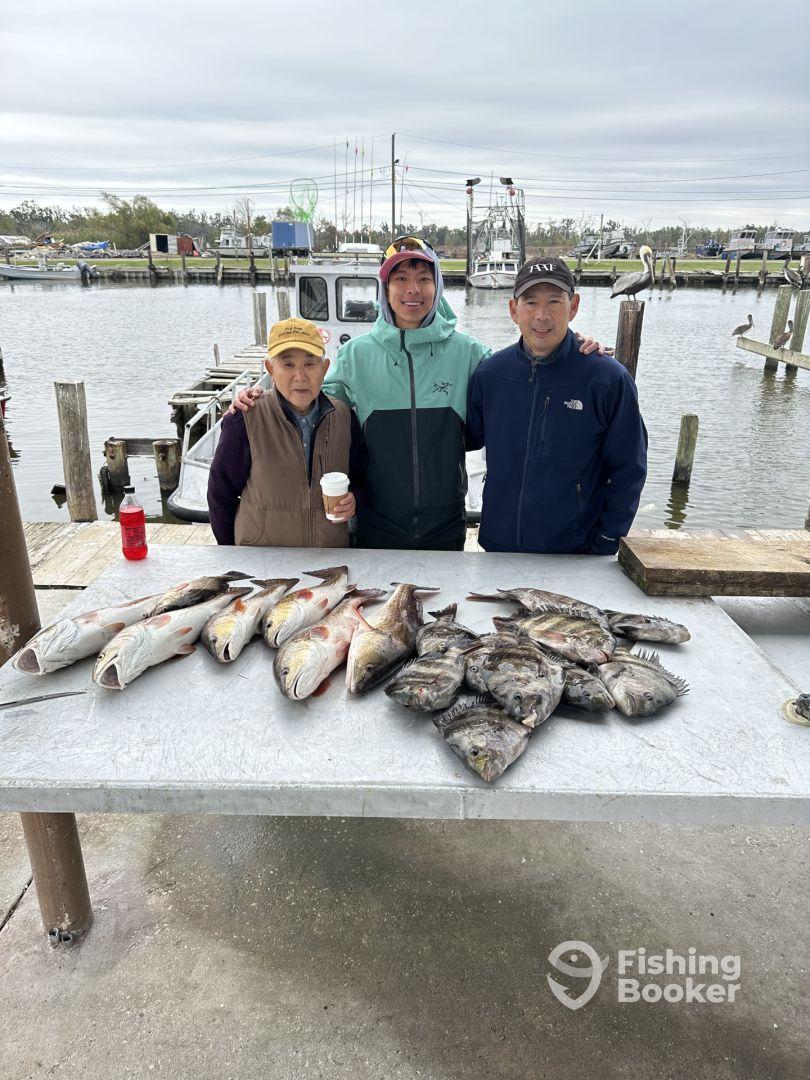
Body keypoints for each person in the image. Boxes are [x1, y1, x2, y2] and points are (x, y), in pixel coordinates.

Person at [230, 237, 609, 551]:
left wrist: (575, 352)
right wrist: (255, 397)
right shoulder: (355, 356)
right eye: (400, 279)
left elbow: (526, 370)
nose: (413, 290)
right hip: (376, 523)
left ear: (438, 285)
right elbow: (301, 397)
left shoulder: (469, 353)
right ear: (385, 289)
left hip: (444, 525)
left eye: (424, 277)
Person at [466, 257, 648, 555]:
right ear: (514, 310)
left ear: (573, 306)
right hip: (498, 549)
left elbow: (630, 468)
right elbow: (467, 437)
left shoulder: (606, 379)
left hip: (574, 551)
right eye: (530, 303)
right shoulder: (490, 375)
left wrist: (608, 539)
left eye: (554, 302)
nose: (542, 315)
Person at [207, 316, 365, 547]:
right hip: (261, 560)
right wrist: (233, 556)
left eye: (310, 364)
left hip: (329, 557)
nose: (300, 376)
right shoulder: (245, 418)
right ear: (270, 368)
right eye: (288, 364)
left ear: (325, 368)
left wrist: (355, 500)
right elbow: (220, 494)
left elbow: (361, 478)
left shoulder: (344, 417)